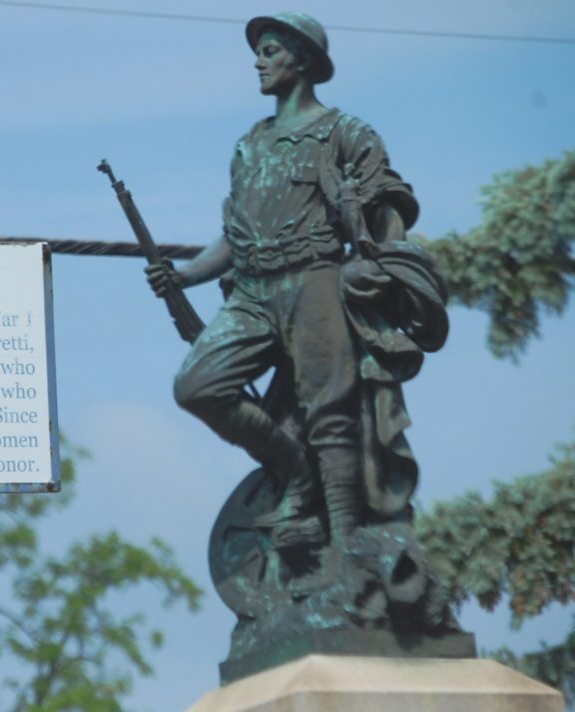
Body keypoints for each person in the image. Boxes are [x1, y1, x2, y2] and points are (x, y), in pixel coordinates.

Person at [147, 13, 445, 547]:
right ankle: (298, 475)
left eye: (269, 50)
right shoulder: (249, 144)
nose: (257, 62)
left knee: (329, 415)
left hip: (315, 281)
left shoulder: (345, 131)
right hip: (254, 291)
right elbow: (231, 238)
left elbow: (390, 207)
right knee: (197, 387)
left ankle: (346, 550)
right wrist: (186, 276)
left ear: (302, 59)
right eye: (258, 52)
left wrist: (377, 267)